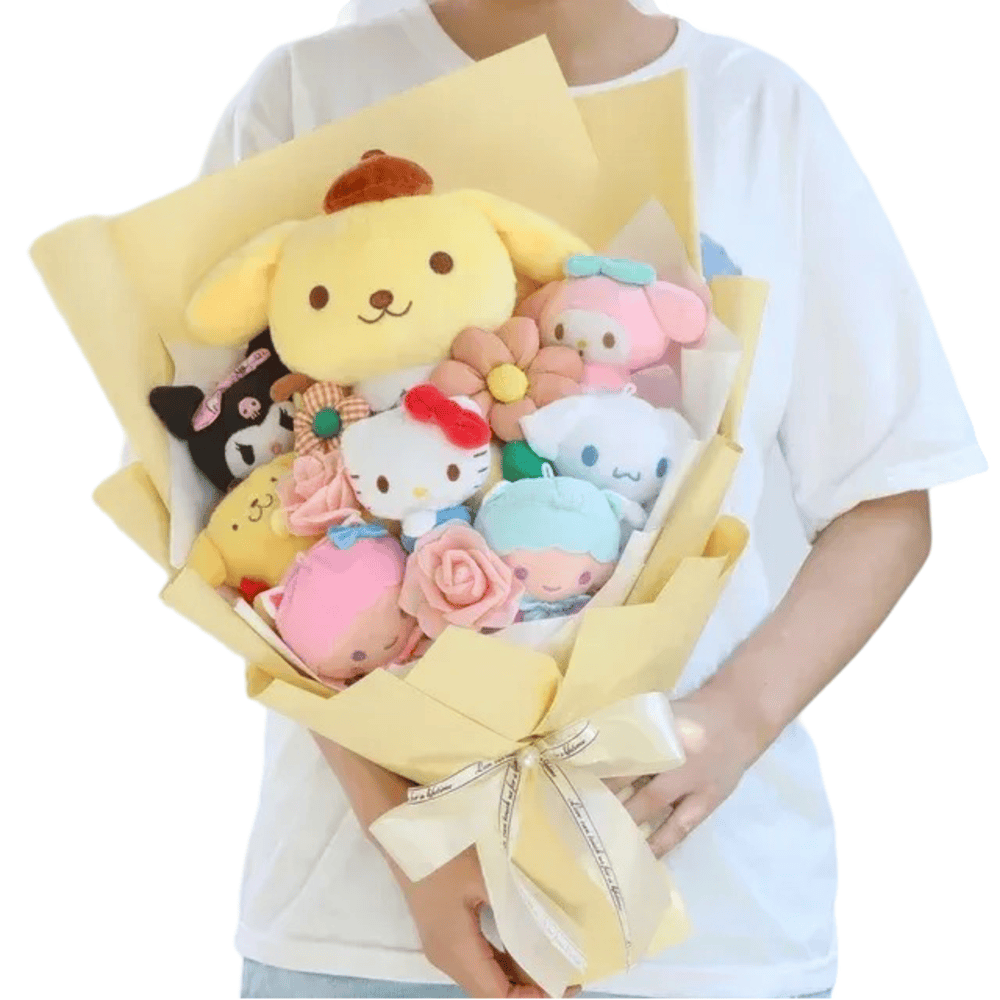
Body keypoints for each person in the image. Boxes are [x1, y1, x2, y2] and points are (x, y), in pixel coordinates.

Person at [200, 2, 987, 997]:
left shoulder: (757, 112)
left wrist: (728, 723)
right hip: (362, 927)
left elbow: (886, 496)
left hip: (708, 917)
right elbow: (244, 525)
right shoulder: (305, 97)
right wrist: (406, 834)